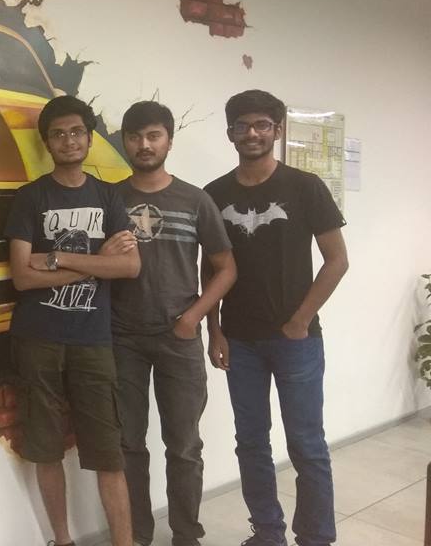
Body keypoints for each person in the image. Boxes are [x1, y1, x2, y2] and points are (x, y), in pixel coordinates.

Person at [204, 90, 348, 546]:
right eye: (243, 125)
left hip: (296, 340)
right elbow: (209, 270)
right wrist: (214, 329)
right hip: (239, 340)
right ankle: (267, 532)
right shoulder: (214, 194)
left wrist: (301, 320)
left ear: (277, 130)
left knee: (306, 444)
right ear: (230, 133)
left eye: (262, 124)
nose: (252, 133)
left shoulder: (305, 187)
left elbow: (337, 260)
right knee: (251, 442)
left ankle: (316, 537)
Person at [4, 95, 141, 546]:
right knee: (46, 449)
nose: (68, 141)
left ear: (89, 138)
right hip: (37, 338)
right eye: (58, 134)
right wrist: (95, 260)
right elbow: (23, 276)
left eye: (77, 132)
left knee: (108, 453)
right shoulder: (30, 197)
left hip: (93, 340)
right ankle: (62, 540)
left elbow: (129, 266)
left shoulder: (109, 196)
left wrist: (57, 257)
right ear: (47, 143)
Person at [111, 101, 237, 546]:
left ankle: (186, 534)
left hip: (178, 338)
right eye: (134, 137)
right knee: (128, 445)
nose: (144, 145)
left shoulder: (196, 200)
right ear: (124, 141)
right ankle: (137, 534)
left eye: (153, 136)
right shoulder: (110, 198)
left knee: (184, 446)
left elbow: (226, 268)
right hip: (120, 337)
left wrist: (194, 317)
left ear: (168, 140)